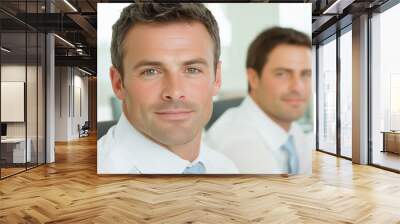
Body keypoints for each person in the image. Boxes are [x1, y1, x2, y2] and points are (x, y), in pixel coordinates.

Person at [98, 3, 238, 174]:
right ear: (118, 83)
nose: (175, 92)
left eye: (192, 70)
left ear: (217, 78)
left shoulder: (225, 168)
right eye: (150, 71)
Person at [206, 27, 313, 174]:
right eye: (282, 74)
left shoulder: (292, 130)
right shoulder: (239, 145)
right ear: (253, 78)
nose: (297, 87)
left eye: (305, 74)